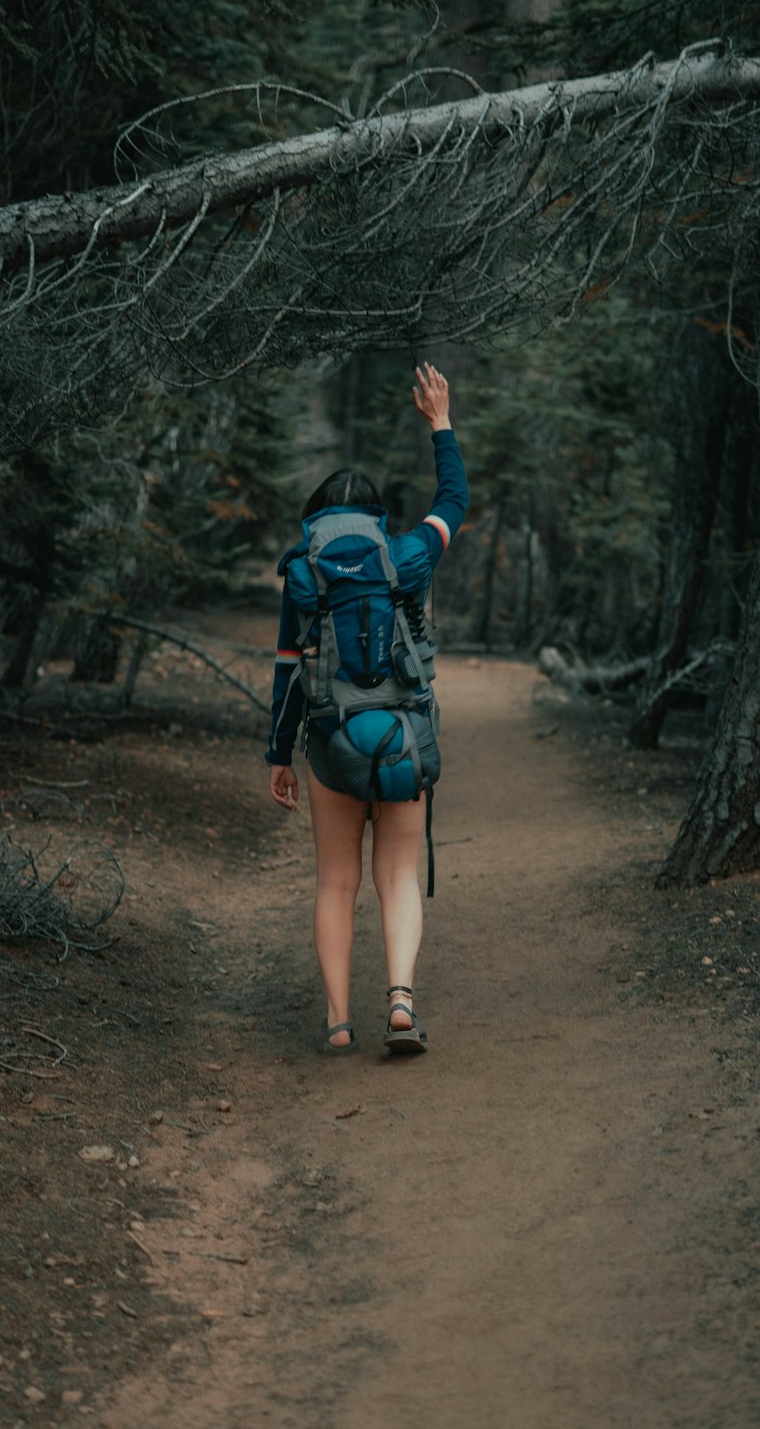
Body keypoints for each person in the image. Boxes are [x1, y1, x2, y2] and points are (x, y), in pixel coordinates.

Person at [266, 364, 468, 1055]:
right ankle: (402, 1000)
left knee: (335, 880)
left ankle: (338, 1021)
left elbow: (289, 668)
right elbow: (455, 501)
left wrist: (276, 754)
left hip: (330, 743)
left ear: (317, 516)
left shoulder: (302, 571)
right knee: (397, 875)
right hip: (404, 737)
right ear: (376, 515)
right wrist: (440, 422)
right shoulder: (406, 555)